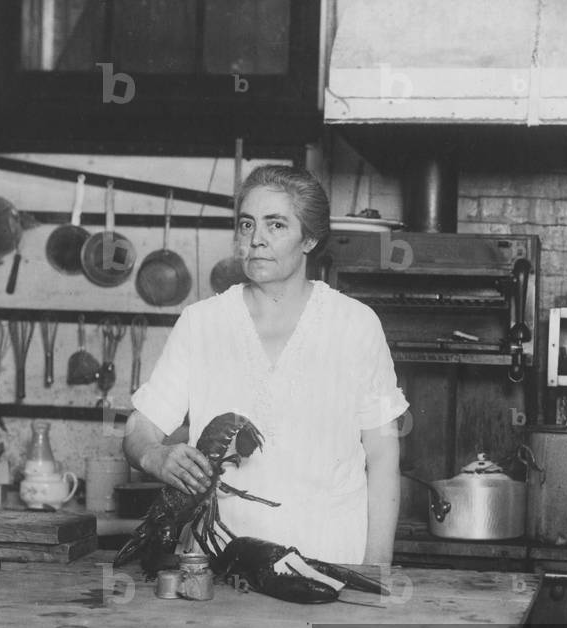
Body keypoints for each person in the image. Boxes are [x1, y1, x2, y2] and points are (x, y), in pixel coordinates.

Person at [124, 164, 407, 564]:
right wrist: (154, 455)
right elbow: (140, 426)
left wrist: (377, 567)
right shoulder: (202, 323)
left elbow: (382, 453)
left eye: (276, 225)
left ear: (309, 238)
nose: (256, 240)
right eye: (246, 225)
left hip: (328, 558)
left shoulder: (354, 324)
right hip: (217, 564)